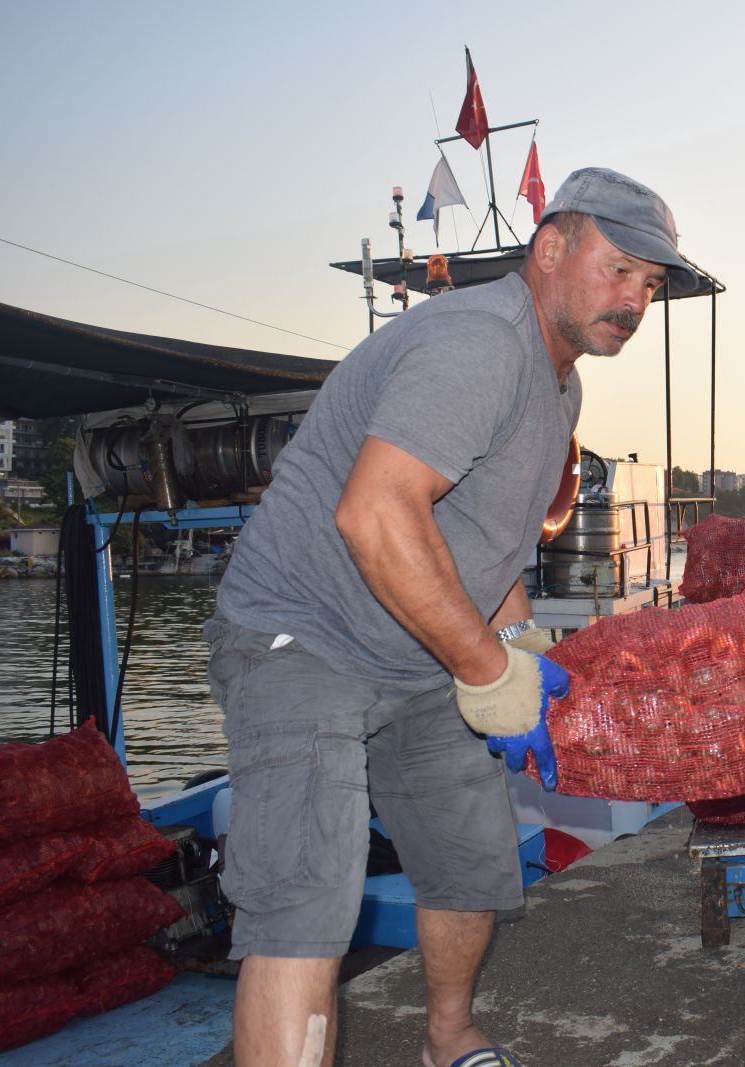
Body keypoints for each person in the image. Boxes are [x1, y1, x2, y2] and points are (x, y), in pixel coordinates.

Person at [203, 167, 695, 1067]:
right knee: (308, 897)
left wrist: (517, 651)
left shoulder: (562, 387)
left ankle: (449, 1041)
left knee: (471, 861)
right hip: (302, 635)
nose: (636, 300)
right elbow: (377, 514)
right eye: (620, 269)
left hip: (418, 651)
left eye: (652, 286)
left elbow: (487, 546)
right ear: (550, 247)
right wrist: (485, 672)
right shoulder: (480, 341)